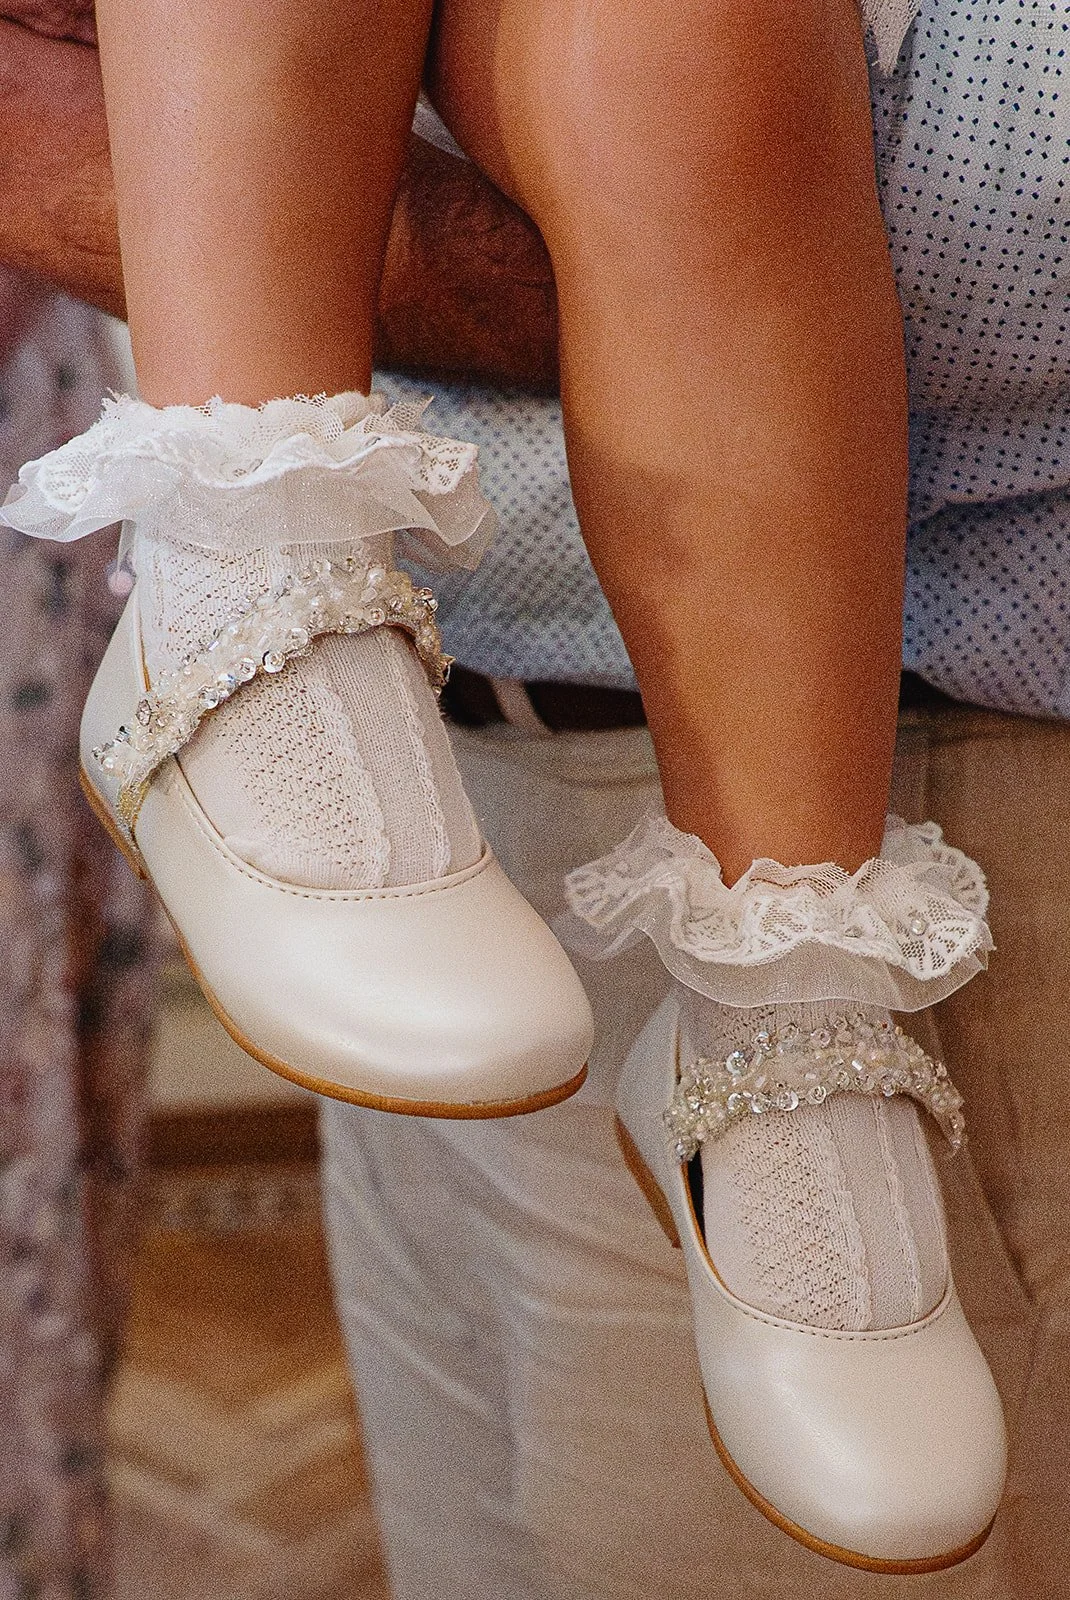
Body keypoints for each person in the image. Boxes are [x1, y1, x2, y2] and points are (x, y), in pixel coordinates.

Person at [0, 0, 1028, 1572]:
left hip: (994, 732)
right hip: (490, 729)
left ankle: (791, 987)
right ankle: (251, 566)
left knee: (687, 41)